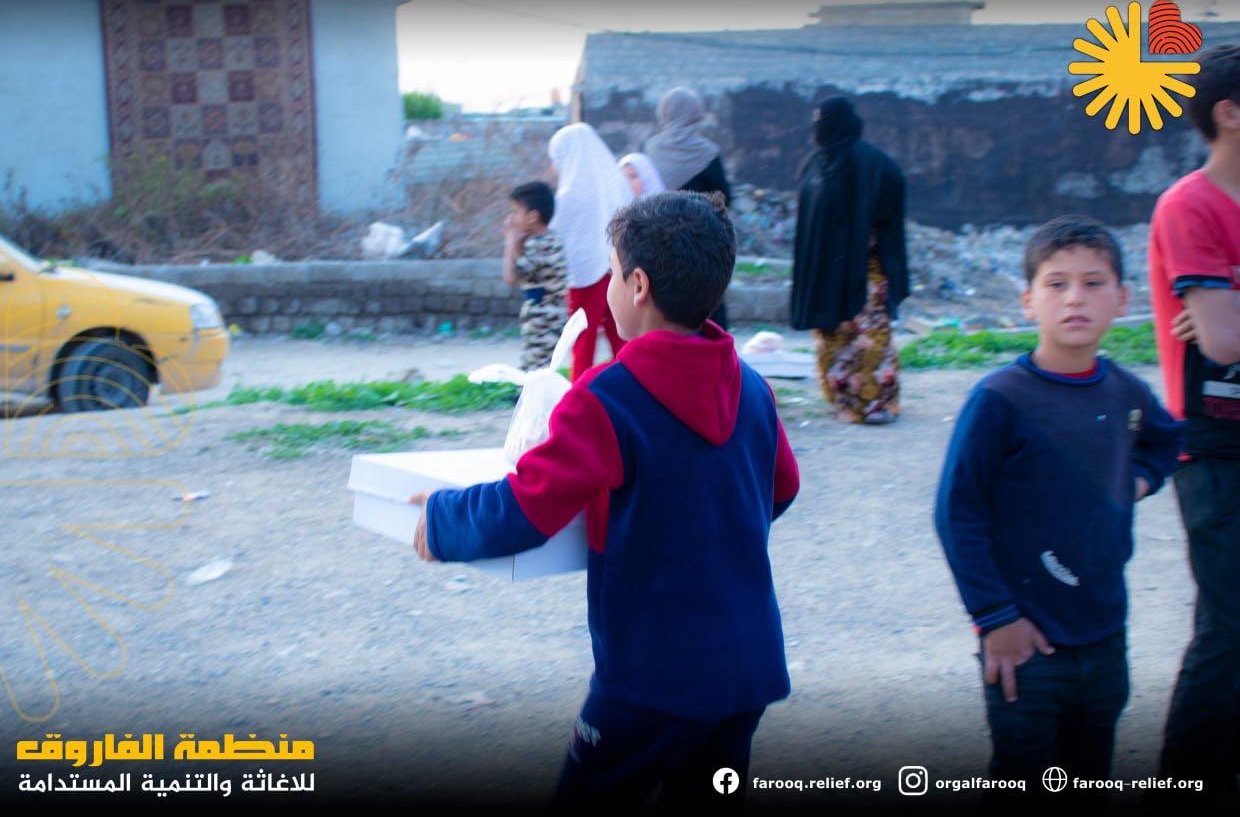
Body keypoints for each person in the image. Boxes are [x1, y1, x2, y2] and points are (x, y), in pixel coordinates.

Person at [409, 191, 800, 808]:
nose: (609, 286)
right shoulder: (753, 388)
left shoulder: (606, 398)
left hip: (650, 681)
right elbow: (782, 488)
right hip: (746, 670)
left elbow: (525, 509)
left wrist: (441, 519)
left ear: (638, 286)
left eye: (613, 272)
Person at [934, 216, 1182, 802]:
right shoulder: (1000, 400)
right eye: (1056, 284)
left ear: (1122, 300)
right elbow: (956, 512)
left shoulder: (1125, 391)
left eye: (1093, 283)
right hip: (1026, 640)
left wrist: (1137, 481)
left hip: (1104, 634)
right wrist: (995, 618)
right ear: (1028, 301)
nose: (1075, 298)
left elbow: (1166, 439)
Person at [1147, 43, 1240, 801]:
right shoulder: (1190, 206)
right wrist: (1225, 313)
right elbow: (1224, 340)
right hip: (1216, 446)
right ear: (1229, 114)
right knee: (1231, 628)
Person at [790, 96, 908, 425]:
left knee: (869, 334)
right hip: (826, 269)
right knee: (832, 335)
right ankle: (844, 403)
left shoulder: (872, 164)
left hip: (864, 266)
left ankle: (875, 404)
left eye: (823, 121)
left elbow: (892, 196)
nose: (818, 128)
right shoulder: (815, 165)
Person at [548, 123, 632, 381]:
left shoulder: (566, 195)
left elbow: (554, 235)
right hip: (620, 269)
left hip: (584, 275)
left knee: (583, 340)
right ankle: (632, 387)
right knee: (621, 337)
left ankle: (580, 393)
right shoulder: (617, 183)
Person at [645, 87, 732, 329]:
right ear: (695, 113)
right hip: (702, 243)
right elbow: (725, 198)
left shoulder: (650, 150)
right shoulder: (707, 153)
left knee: (664, 306)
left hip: (660, 244)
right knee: (707, 305)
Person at [501, 181, 568, 371]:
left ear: (532, 217)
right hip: (549, 318)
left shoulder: (539, 245)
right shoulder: (551, 239)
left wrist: (510, 241)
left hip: (543, 322)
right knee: (537, 368)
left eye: (515, 212)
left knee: (535, 371)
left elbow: (511, 277)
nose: (511, 219)